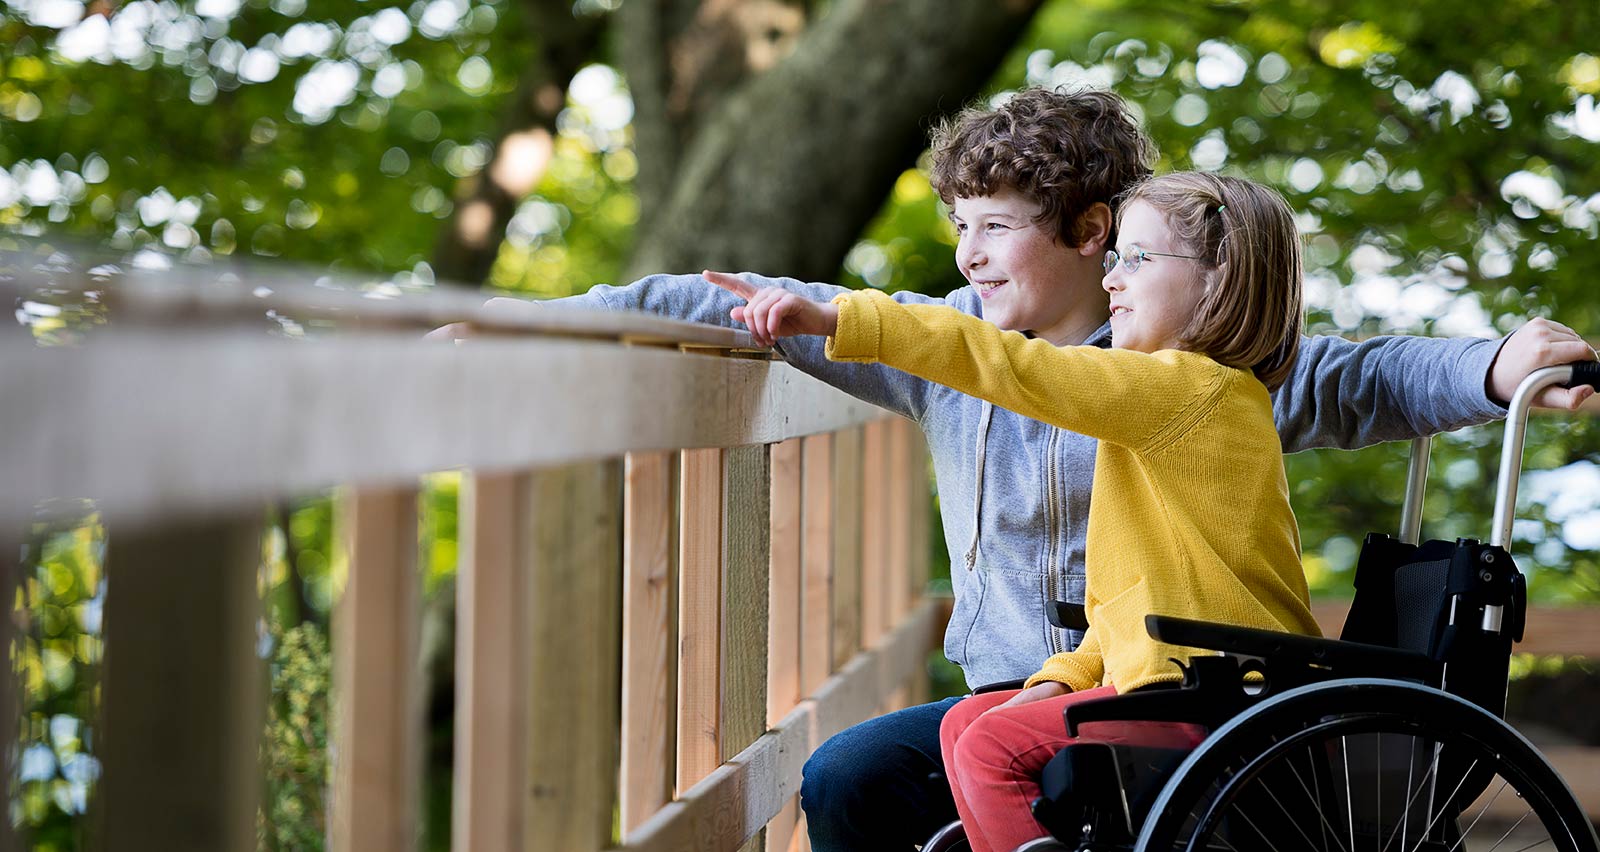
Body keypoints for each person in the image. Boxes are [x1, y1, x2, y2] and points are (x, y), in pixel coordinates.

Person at [432, 88, 1596, 850]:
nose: (965, 254)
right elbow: (733, 302)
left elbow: (1366, 376)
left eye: (994, 226)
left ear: (1094, 235)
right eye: (958, 225)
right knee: (845, 780)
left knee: (900, 772)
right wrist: (547, 319)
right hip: (1036, 692)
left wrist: (1496, 364)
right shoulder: (948, 347)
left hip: (1177, 704)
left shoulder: (1199, 373)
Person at [712, 169, 1327, 851]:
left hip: (1220, 697)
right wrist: (1057, 678)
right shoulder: (1168, 412)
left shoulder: (1189, 390)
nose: (1113, 279)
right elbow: (1136, 606)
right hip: (1175, 679)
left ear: (1220, 279)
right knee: (961, 729)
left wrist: (845, 320)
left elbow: (1014, 368)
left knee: (989, 751)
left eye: (1139, 259)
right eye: (1115, 256)